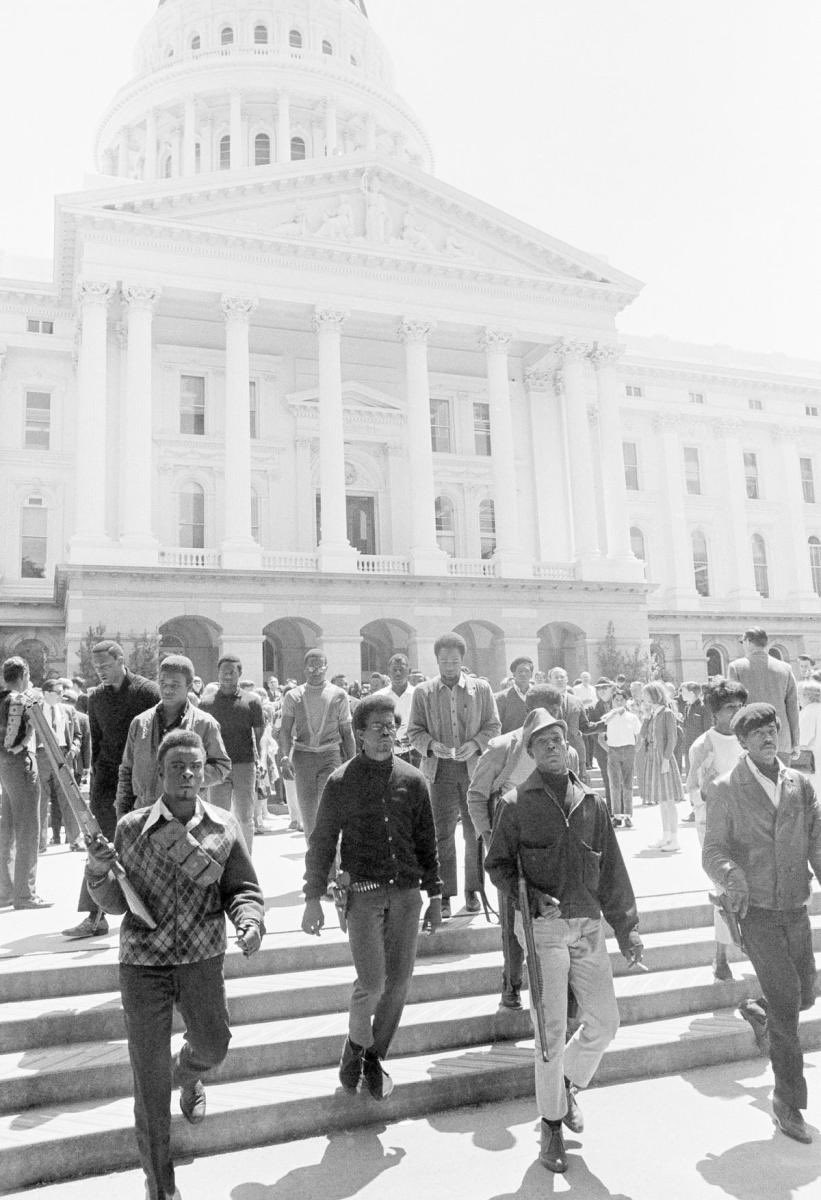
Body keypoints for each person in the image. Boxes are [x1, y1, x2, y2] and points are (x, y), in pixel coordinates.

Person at [84, 729, 265, 1199]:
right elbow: (113, 902)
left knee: (214, 1044)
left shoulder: (224, 826)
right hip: (144, 965)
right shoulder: (131, 827)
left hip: (201, 960)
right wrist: (98, 871)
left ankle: (186, 1075)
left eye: (194, 766)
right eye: (175, 767)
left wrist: (249, 921)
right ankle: (160, 1186)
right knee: (148, 1085)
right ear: (159, 773)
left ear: (205, 771)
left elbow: (243, 888)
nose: (186, 774)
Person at [485, 712, 643, 1174]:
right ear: (530, 753)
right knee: (550, 1033)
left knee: (606, 1022)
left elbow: (611, 869)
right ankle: (551, 1122)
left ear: (569, 745)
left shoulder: (591, 801)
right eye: (542, 743)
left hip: (588, 925)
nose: (552, 747)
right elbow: (497, 865)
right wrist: (529, 896)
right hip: (543, 931)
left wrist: (628, 927)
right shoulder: (514, 803)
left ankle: (567, 1083)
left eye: (558, 739)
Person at [301, 693, 441, 1100]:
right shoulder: (341, 781)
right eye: (376, 728)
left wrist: (435, 896)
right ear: (358, 733)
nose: (385, 735)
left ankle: (372, 1055)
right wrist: (312, 897)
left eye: (391, 727)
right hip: (362, 897)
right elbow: (322, 842)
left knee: (399, 983)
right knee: (373, 982)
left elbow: (426, 842)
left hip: (407, 897)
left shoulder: (414, 780)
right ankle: (356, 1045)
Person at [703, 703, 821, 1144]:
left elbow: (817, 840)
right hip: (755, 912)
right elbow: (712, 850)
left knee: (804, 995)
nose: (769, 737)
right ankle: (787, 1103)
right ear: (743, 742)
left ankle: (759, 1013)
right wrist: (732, 878)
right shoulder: (726, 788)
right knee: (790, 1004)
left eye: (772, 729)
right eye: (757, 732)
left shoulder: (799, 785)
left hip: (794, 906)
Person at [468, 688, 564, 1009]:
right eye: (542, 713)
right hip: (511, 845)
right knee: (512, 920)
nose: (548, 725)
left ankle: (552, 992)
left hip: (549, 847)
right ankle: (511, 985)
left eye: (555, 715)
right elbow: (476, 796)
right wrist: (492, 838)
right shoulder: (500, 747)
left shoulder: (563, 749)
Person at [63, 640, 160, 939]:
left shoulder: (148, 692)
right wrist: (95, 783)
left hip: (141, 780)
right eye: (96, 668)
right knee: (98, 845)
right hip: (107, 780)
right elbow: (99, 740)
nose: (101, 672)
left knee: (145, 847)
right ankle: (94, 916)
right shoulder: (96, 698)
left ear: (121, 659)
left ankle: (151, 912)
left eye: (105, 665)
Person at [408, 632, 501, 919]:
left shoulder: (481, 689)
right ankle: (444, 894)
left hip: (473, 770)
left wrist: (474, 744)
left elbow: (493, 725)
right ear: (436, 660)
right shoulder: (424, 692)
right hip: (440, 773)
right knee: (442, 835)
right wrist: (432, 746)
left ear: (463, 661)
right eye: (444, 660)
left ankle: (473, 890)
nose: (449, 666)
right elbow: (414, 731)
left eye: (455, 661)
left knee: (474, 832)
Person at [685, 677, 748, 981]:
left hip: (751, 826)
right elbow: (694, 791)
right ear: (715, 713)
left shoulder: (749, 738)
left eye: (740, 706)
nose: (737, 712)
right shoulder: (703, 745)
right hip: (716, 830)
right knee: (725, 889)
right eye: (730, 708)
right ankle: (721, 957)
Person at [116, 655, 231, 819]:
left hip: (186, 815)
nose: (168, 690)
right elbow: (127, 770)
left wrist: (189, 778)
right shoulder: (140, 723)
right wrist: (122, 812)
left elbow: (222, 766)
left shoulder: (205, 724)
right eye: (163, 684)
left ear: (189, 687)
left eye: (175, 685)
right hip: (144, 813)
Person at [278, 650, 355, 840]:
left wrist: (353, 763)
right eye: (311, 666)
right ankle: (314, 864)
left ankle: (333, 863)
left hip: (330, 755)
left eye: (320, 666)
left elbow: (347, 732)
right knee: (309, 815)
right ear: (305, 669)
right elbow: (285, 731)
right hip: (303, 757)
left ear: (326, 668)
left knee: (329, 809)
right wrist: (285, 757)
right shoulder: (293, 696)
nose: (316, 670)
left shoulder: (339, 695)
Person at [198, 654, 264, 855]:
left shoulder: (252, 701)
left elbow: (259, 735)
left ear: (239, 673)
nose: (227, 676)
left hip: (245, 765)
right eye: (223, 672)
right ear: (217, 673)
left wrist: (259, 761)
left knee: (245, 817)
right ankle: (220, 858)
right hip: (216, 767)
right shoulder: (206, 703)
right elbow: (201, 738)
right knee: (218, 816)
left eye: (231, 672)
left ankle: (246, 859)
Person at [0, 656, 51, 909]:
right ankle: (25, 894)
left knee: (6, 829)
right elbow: (40, 731)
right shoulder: (25, 699)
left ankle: (5, 891)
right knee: (29, 829)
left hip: (3, 766)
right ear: (24, 674)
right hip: (21, 762)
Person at [728, 628, 800, 764]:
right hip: (781, 739)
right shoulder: (785, 668)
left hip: (750, 740)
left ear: (748, 642)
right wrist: (795, 742)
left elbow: (734, 708)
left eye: (742, 642)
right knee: (781, 782)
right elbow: (792, 708)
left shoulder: (736, 667)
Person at [36, 678, 82, 850]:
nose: (62, 696)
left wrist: (74, 750)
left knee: (69, 799)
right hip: (41, 756)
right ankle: (40, 843)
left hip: (63, 756)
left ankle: (75, 840)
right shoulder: (35, 710)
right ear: (46, 693)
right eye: (58, 692)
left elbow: (78, 735)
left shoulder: (68, 710)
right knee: (40, 800)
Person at [639, 681, 685, 852]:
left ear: (654, 695)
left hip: (663, 758)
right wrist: (645, 717)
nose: (643, 698)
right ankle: (666, 836)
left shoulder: (667, 713)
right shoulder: (652, 714)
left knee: (669, 801)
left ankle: (674, 838)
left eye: (646, 695)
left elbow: (672, 738)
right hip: (652, 757)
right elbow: (643, 736)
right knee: (662, 801)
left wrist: (666, 759)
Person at [600, 695, 642, 828]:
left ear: (625, 701)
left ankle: (628, 816)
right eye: (616, 700)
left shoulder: (632, 717)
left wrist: (634, 750)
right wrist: (609, 750)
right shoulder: (607, 717)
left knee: (627, 784)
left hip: (628, 750)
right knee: (614, 784)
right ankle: (617, 816)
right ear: (612, 701)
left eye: (621, 700)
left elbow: (639, 736)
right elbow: (600, 737)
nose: (619, 702)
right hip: (613, 751)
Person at [373, 653, 418, 764]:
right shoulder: (378, 697)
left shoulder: (418, 694)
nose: (398, 673)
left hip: (415, 752)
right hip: (386, 752)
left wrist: (415, 736)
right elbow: (373, 724)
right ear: (389, 672)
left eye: (401, 670)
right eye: (394, 670)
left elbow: (427, 722)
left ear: (409, 671)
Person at [494, 656, 534, 735]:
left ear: (531, 674)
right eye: (520, 671)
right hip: (510, 744)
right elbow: (496, 726)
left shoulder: (539, 695)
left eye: (526, 671)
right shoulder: (501, 698)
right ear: (514, 674)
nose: (523, 674)